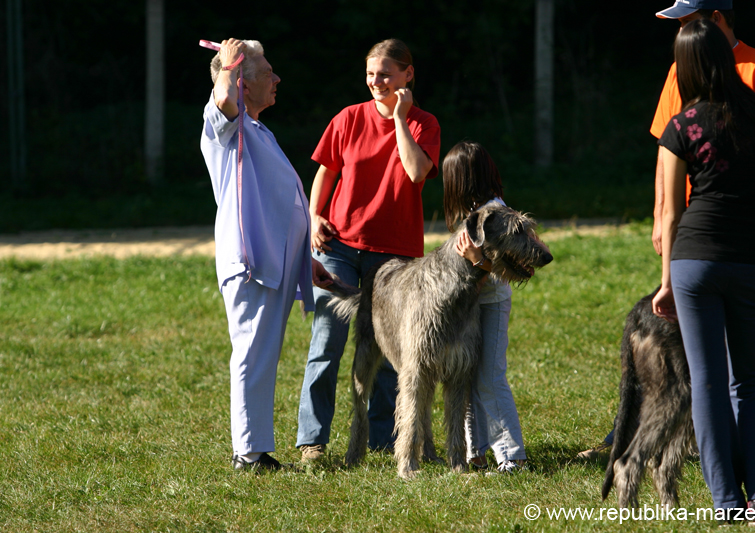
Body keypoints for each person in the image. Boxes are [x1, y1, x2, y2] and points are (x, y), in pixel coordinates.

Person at [579, 0, 755, 461]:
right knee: (696, 348)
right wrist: (664, 217)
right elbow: (668, 148)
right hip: (694, 231)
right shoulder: (682, 68)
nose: (679, 30)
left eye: (687, 21)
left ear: (718, 18)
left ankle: (748, 442)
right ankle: (707, 444)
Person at [652, 18, 755, 520]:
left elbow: (672, 212)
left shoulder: (682, 125)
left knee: (709, 383)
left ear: (688, 66)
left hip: (696, 263)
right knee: (751, 385)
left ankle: (726, 503)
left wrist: (668, 280)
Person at [295, 39, 441, 462]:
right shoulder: (348, 118)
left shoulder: (424, 124)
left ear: (407, 75)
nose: (376, 82)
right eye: (370, 75)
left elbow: (415, 171)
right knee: (327, 342)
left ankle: (382, 438)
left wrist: (400, 118)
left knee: (391, 352)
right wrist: (313, 217)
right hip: (338, 244)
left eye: (385, 74)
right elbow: (326, 171)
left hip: (395, 256)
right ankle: (313, 440)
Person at [200, 38, 332, 471]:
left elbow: (277, 205)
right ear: (243, 83)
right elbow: (221, 98)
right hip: (250, 264)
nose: (277, 79)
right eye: (266, 73)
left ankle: (254, 448)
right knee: (252, 354)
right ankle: (249, 454)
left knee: (262, 354)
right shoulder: (223, 124)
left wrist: (302, 260)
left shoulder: (256, 129)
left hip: (274, 265)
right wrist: (230, 65)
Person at [441, 141, 527, 474]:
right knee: (467, 376)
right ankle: (474, 451)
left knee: (490, 378)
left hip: (491, 303)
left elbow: (512, 265)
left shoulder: (496, 212)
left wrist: (478, 259)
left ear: (462, 179)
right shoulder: (471, 212)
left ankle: (513, 457)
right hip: (469, 305)